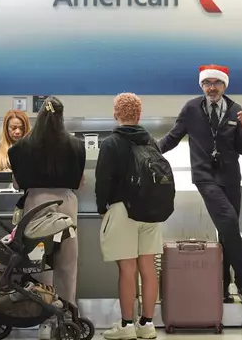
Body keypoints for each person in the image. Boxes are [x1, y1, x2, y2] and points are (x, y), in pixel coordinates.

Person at [158, 64, 242, 299]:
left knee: (226, 231)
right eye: (207, 83)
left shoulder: (237, 110)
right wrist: (149, 151)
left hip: (231, 177)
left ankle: (223, 288)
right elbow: (173, 138)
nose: (211, 87)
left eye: (216, 83)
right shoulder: (192, 108)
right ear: (201, 85)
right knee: (229, 220)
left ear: (224, 85)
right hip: (205, 176)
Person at [8, 96, 86, 340]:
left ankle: (43, 318)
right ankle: (66, 316)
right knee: (67, 262)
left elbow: (17, 183)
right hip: (66, 205)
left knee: (38, 260)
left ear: (38, 116)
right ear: (62, 118)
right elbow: (80, 182)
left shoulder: (19, 148)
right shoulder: (77, 145)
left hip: (35, 205)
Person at [96, 93, 165, 340]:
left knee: (127, 270)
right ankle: (147, 323)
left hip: (122, 210)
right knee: (148, 269)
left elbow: (102, 181)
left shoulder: (110, 143)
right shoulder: (152, 142)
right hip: (151, 212)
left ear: (116, 114)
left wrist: (101, 208)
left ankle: (126, 325)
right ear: (139, 115)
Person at [0, 109, 32, 188]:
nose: (17, 131)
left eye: (21, 128)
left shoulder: (32, 150)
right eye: (13, 128)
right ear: (6, 129)